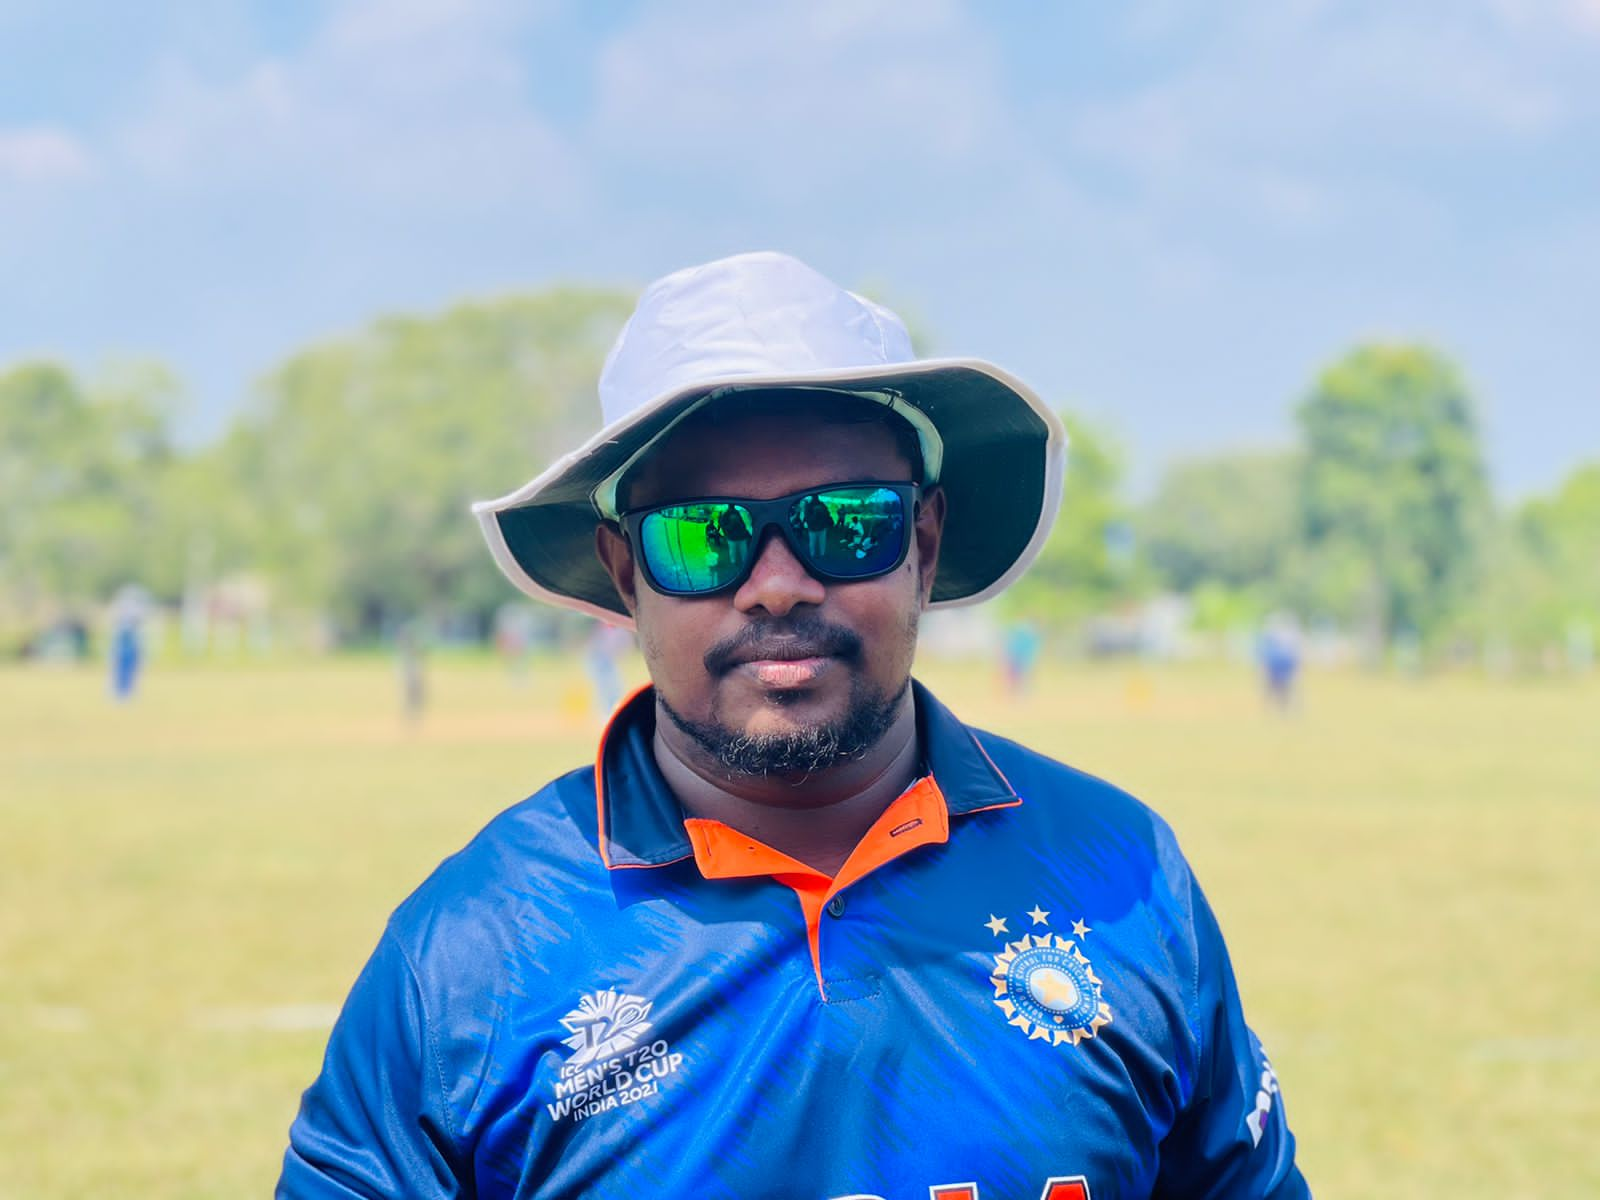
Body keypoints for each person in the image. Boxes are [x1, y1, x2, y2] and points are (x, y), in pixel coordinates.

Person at [279, 252, 1309, 1198]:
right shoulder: (473, 950)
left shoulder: (1118, 871)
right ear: (623, 572)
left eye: (845, 520)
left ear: (924, 541)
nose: (776, 584)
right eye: (702, 535)